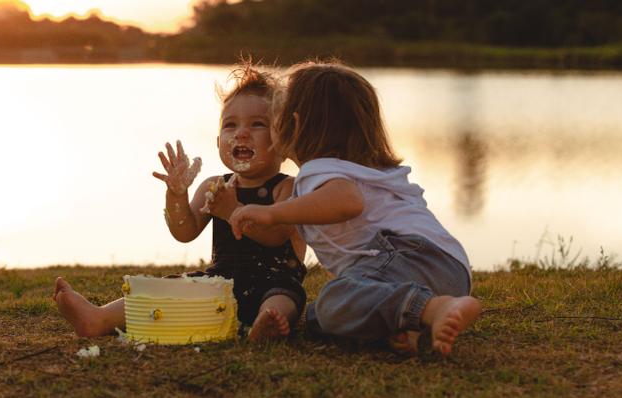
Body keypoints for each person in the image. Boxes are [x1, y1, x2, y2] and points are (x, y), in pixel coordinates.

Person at [229, 60, 481, 355]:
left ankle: (434, 308)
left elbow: (347, 202)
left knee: (334, 299)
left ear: (294, 125)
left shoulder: (319, 170)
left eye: (273, 120)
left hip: (407, 258)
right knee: (317, 318)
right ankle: (412, 331)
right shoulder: (365, 169)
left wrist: (272, 213)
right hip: (451, 270)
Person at [53, 64, 307, 343]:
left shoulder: (289, 188)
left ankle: (266, 324)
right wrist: (177, 194)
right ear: (218, 141)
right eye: (230, 125)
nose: (241, 133)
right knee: (165, 289)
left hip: (273, 283)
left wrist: (233, 211)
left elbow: (275, 236)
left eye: (257, 124)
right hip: (219, 287)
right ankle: (99, 318)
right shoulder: (215, 186)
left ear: (283, 139)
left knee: (283, 299)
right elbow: (184, 231)